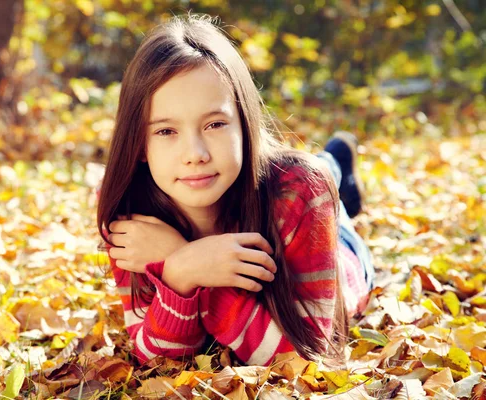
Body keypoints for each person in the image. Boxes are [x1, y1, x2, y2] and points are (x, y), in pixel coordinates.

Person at [96, 14, 374, 367]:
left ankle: (334, 163)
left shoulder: (300, 192)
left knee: (315, 176)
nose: (195, 154)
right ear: (138, 145)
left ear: (245, 125)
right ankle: (335, 160)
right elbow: (157, 358)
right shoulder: (127, 208)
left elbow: (304, 360)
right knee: (310, 169)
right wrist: (182, 274)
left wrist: (179, 257)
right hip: (264, 178)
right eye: (166, 131)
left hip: (339, 255)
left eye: (215, 124)